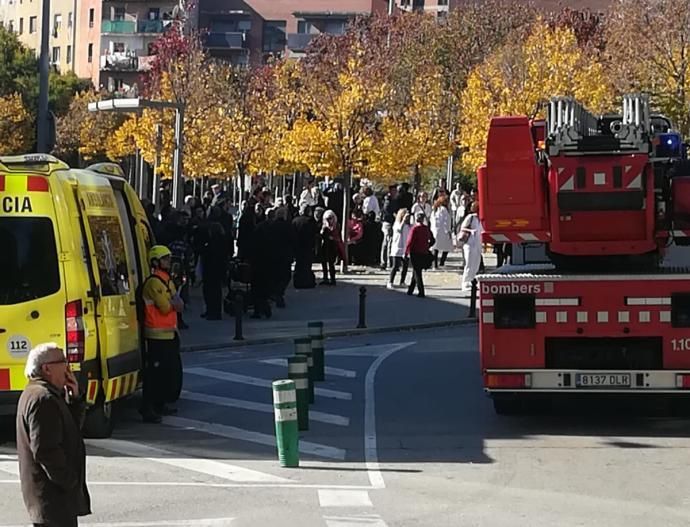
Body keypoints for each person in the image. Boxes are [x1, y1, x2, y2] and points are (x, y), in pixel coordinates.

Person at [16, 343, 91, 527]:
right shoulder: (43, 398)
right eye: (62, 361)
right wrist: (69, 481)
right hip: (53, 499)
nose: (68, 367)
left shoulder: (47, 394)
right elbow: (45, 450)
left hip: (53, 501)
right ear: (46, 368)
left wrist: (75, 399)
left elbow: (70, 429)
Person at [140, 245, 184, 423]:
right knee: (155, 374)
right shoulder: (153, 283)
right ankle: (148, 407)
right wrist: (174, 303)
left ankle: (160, 404)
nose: (169, 261)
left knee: (167, 373)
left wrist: (175, 303)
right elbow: (166, 307)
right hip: (156, 336)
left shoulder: (167, 280)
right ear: (156, 261)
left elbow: (178, 303)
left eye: (169, 258)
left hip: (170, 334)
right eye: (165, 259)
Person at [405, 212, 435, 298]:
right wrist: (427, 246)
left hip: (415, 252)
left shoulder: (414, 229)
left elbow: (409, 241)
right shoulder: (426, 229)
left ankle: (421, 291)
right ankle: (410, 290)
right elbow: (433, 240)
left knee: (417, 272)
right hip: (424, 252)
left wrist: (406, 252)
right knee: (416, 270)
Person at [292, 204, 318, 289]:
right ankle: (306, 282)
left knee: (299, 264)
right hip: (307, 246)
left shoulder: (295, 221)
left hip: (297, 246)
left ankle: (298, 281)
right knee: (306, 265)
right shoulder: (310, 221)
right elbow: (314, 234)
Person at [459, 201, 483, 291]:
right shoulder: (471, 217)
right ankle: (465, 282)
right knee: (469, 263)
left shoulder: (481, 219)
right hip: (469, 243)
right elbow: (462, 228)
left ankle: (472, 281)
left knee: (476, 263)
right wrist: (470, 230)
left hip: (478, 243)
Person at [388, 208, 411, 289]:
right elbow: (399, 230)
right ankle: (390, 281)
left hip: (405, 248)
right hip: (397, 247)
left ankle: (402, 281)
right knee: (395, 266)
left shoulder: (408, 225)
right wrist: (403, 221)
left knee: (405, 266)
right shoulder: (397, 224)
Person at [321, 210, 344, 285]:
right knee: (324, 262)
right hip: (325, 246)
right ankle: (325, 278)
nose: (329, 220)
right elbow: (321, 234)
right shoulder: (324, 225)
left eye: (330, 218)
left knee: (331, 263)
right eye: (327, 218)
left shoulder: (336, 225)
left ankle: (332, 279)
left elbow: (336, 235)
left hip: (332, 246)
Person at [430, 196, 453, 269]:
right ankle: (442, 262)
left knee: (435, 248)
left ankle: (435, 265)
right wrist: (448, 231)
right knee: (447, 247)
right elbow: (446, 221)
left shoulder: (435, 209)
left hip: (435, 230)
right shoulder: (444, 210)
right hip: (443, 231)